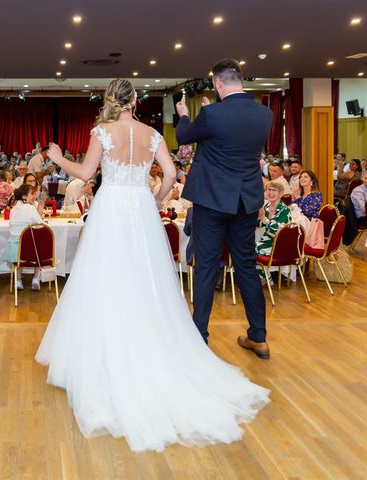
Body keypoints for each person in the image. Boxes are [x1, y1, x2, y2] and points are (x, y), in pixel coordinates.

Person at [36, 78, 269, 452]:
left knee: (106, 277)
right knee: (147, 280)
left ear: (111, 100)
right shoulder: (152, 134)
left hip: (112, 207)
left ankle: (105, 354)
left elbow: (84, 174)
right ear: (136, 101)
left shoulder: (102, 131)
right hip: (141, 207)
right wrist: (155, 198)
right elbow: (173, 174)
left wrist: (57, 156)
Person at [176, 58, 273, 359]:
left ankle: (199, 336)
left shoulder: (210, 113)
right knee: (246, 265)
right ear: (239, 80)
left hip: (212, 199)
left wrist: (183, 115)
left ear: (218, 84)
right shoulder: (265, 114)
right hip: (246, 200)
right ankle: (258, 337)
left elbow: (183, 137)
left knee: (206, 265)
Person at [2, 184, 43, 290]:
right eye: (32, 194)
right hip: (31, 250)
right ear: (24, 197)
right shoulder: (30, 208)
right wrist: (39, 211)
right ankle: (35, 278)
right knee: (38, 242)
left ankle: (18, 280)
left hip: (15, 249)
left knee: (19, 255)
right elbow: (40, 225)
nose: (35, 196)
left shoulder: (13, 209)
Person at [255, 181, 291, 281]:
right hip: (267, 240)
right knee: (246, 247)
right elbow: (260, 225)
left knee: (252, 249)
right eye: (268, 190)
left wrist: (264, 219)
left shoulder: (284, 210)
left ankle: (264, 278)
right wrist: (255, 218)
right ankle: (264, 277)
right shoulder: (265, 207)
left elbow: (281, 230)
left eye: (274, 190)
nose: (270, 192)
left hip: (278, 243)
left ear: (280, 193)